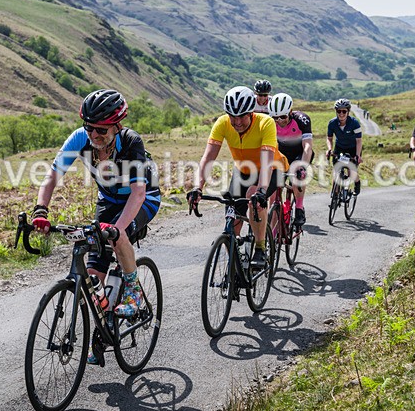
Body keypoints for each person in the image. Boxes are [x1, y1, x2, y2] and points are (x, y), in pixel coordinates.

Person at [32, 89, 161, 325]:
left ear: (117, 126)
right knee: (93, 279)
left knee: (116, 237)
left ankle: (133, 292)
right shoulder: (79, 139)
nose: (94, 134)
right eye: (89, 127)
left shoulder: (131, 142)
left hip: (143, 198)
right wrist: (40, 210)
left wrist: (118, 229)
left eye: (101, 130)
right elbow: (51, 177)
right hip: (109, 200)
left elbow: (138, 192)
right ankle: (104, 325)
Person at [188, 86, 287, 268]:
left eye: (242, 116)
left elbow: (267, 162)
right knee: (232, 216)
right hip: (243, 170)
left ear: (251, 113)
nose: (237, 121)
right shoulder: (223, 123)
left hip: (272, 168)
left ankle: (260, 247)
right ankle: (237, 263)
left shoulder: (265, 123)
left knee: (255, 201)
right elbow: (209, 156)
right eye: (233, 116)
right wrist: (197, 187)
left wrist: (262, 191)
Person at [268, 93, 314, 226]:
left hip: (299, 154)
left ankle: (299, 208)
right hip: (281, 156)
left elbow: (307, 147)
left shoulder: (302, 120)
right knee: (273, 196)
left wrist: (302, 167)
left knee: (296, 177)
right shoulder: (270, 122)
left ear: (291, 112)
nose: (279, 120)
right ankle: (273, 233)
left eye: (283, 116)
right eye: (275, 117)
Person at [326, 98, 363, 195]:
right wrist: (329, 149)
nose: (341, 114)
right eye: (339, 111)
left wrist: (357, 155)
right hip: (339, 147)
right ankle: (335, 194)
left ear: (348, 112)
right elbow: (329, 138)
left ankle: (357, 184)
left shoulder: (355, 123)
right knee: (336, 171)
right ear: (336, 111)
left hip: (353, 149)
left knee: (351, 171)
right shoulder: (332, 123)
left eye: (344, 111)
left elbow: (359, 141)